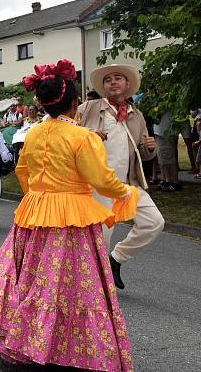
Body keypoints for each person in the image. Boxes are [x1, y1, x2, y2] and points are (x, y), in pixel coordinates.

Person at [0, 59, 138, 370]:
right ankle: (62, 346)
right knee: (69, 284)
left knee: (31, 278)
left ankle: (28, 339)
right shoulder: (83, 137)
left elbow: (24, 172)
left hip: (35, 213)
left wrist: (40, 197)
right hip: (71, 216)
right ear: (75, 103)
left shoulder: (35, 134)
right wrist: (126, 193)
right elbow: (101, 179)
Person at [79, 64, 163, 290]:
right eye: (108, 80)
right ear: (103, 87)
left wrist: (150, 148)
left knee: (154, 222)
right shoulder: (88, 108)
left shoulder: (136, 115)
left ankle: (115, 260)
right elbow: (66, 132)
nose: (113, 82)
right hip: (98, 184)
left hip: (127, 183)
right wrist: (88, 134)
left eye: (118, 78)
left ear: (127, 85)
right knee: (101, 237)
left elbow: (143, 154)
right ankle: (94, 287)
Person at [153, 111, 181, 191]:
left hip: (165, 132)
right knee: (163, 158)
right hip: (161, 132)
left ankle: (173, 182)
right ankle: (165, 180)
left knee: (168, 158)